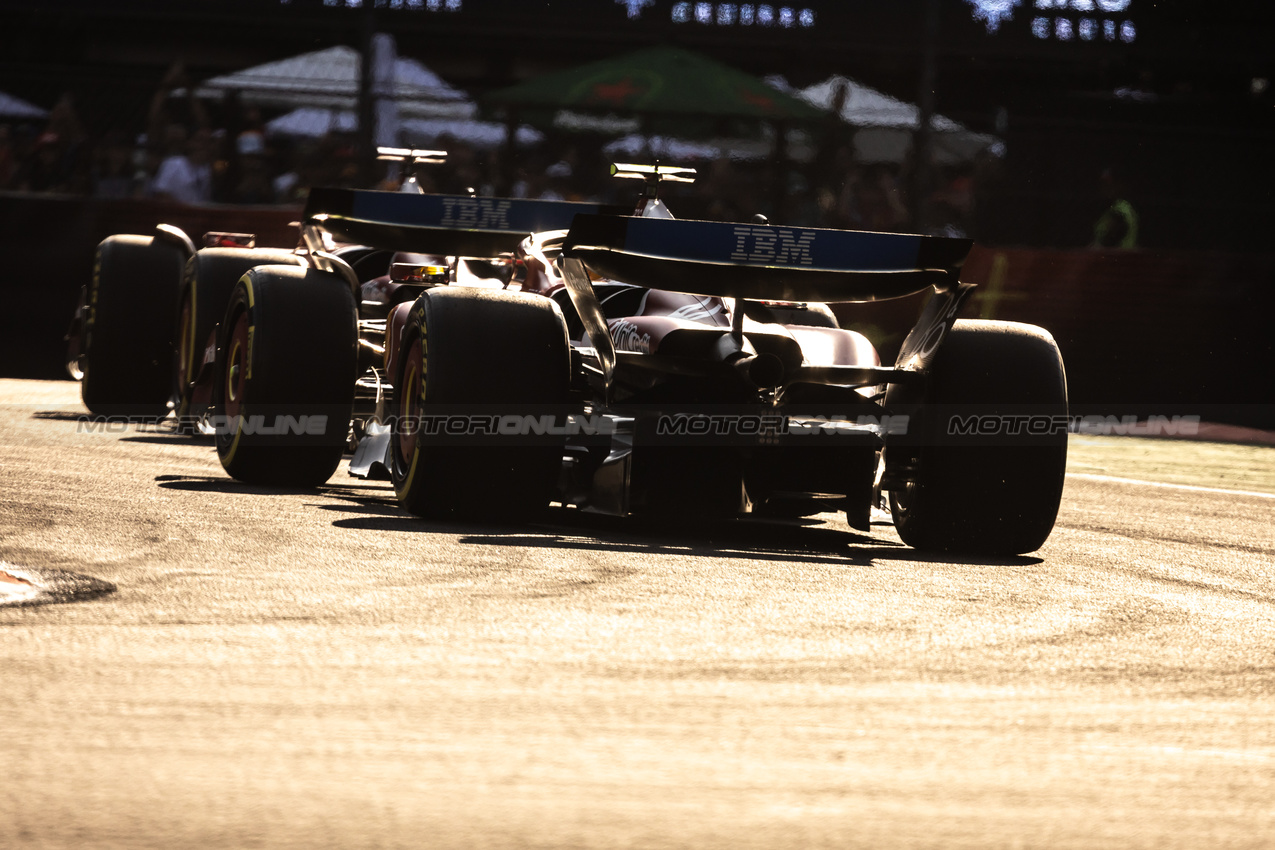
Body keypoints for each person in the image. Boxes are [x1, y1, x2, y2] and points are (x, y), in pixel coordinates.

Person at [1091, 166, 1139, 248]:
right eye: (1102, 184)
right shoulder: (1114, 208)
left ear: (1121, 185)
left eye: (1109, 184)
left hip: (1118, 259)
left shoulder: (1121, 210)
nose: (1104, 188)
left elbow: (1107, 241)